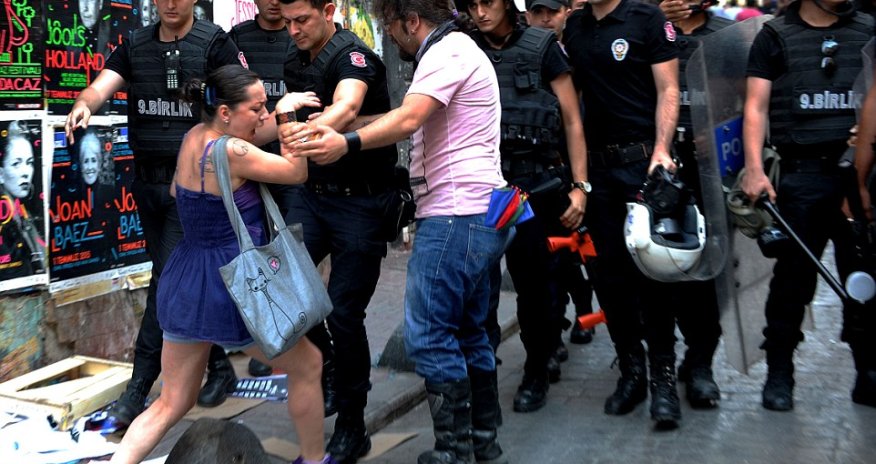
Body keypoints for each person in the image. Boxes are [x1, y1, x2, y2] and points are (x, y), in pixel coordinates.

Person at [288, 1, 511, 461]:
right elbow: (403, 118)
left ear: (411, 21)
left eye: (391, 28)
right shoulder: (457, 49)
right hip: (475, 211)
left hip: (454, 215)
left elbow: (408, 119)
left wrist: (344, 139)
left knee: (429, 335)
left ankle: (454, 451)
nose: (390, 39)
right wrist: (344, 125)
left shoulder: (445, 53)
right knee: (469, 332)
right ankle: (482, 444)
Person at [94, 64, 332, 464]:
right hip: (236, 286)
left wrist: (273, 118)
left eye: (269, 108)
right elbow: (295, 171)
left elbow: (177, 188)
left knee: (173, 401)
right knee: (309, 364)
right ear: (225, 113)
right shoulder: (233, 151)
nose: (264, 116)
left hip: (188, 277)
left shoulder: (194, 138)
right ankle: (313, 460)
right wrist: (290, 116)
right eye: (257, 108)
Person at [65, 0, 247, 428]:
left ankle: (136, 392)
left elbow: (240, 105)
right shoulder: (137, 44)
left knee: (165, 284)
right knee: (177, 279)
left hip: (194, 190)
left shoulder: (215, 45)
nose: (169, 3)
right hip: (148, 184)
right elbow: (100, 86)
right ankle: (218, 366)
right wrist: (85, 104)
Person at [275, 1, 398, 461]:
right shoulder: (294, 58)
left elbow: (345, 107)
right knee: (286, 292)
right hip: (313, 196)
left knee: (345, 314)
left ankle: (352, 423)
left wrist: (301, 134)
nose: (293, 30)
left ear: (328, 11)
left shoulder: (353, 56)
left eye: (302, 20)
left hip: (361, 204)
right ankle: (325, 362)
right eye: (287, 22)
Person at [742, 0, 875, 410]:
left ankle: (868, 369)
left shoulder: (870, 28)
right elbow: (755, 106)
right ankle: (780, 372)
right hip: (803, 174)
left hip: (859, 176)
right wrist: (753, 168)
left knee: (866, 275)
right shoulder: (775, 36)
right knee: (792, 282)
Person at [563, 0, 683, 427]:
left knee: (652, 276)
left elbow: (669, 89)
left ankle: (663, 379)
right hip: (597, 173)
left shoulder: (647, 18)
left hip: (642, 167)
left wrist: (662, 150)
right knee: (609, 276)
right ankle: (631, 368)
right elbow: (571, 103)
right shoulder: (575, 27)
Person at [464, 0, 588, 413]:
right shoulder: (462, 46)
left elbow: (572, 119)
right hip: (483, 183)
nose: (481, 13)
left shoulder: (542, 46)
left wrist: (580, 187)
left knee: (536, 285)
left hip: (535, 184)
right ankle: (482, 372)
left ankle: (537, 367)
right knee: (475, 288)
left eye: (488, 3)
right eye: (472, 5)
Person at [655, 0, 732, 409]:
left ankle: (701, 363)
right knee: (662, 269)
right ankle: (661, 369)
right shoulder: (648, 30)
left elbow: (749, 98)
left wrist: (720, 131)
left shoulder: (725, 35)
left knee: (710, 273)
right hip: (660, 170)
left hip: (711, 171)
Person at [523, 0, 599, 350]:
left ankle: (585, 311)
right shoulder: (524, 51)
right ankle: (555, 331)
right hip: (545, 169)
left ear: (566, 12)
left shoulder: (577, 49)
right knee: (553, 258)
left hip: (581, 164)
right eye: (537, 12)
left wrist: (581, 181)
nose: (544, 19)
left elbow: (578, 117)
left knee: (581, 251)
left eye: (551, 12)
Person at [229, 0, 294, 381]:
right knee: (252, 252)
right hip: (246, 163)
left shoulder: (299, 35)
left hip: (290, 157)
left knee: (290, 249)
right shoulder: (237, 40)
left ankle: (285, 334)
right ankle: (263, 334)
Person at [0, 125, 46, 280]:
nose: (25, 172)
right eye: (16, 163)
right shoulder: (6, 219)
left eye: (30, 162)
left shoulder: (23, 213)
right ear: (1, 173)